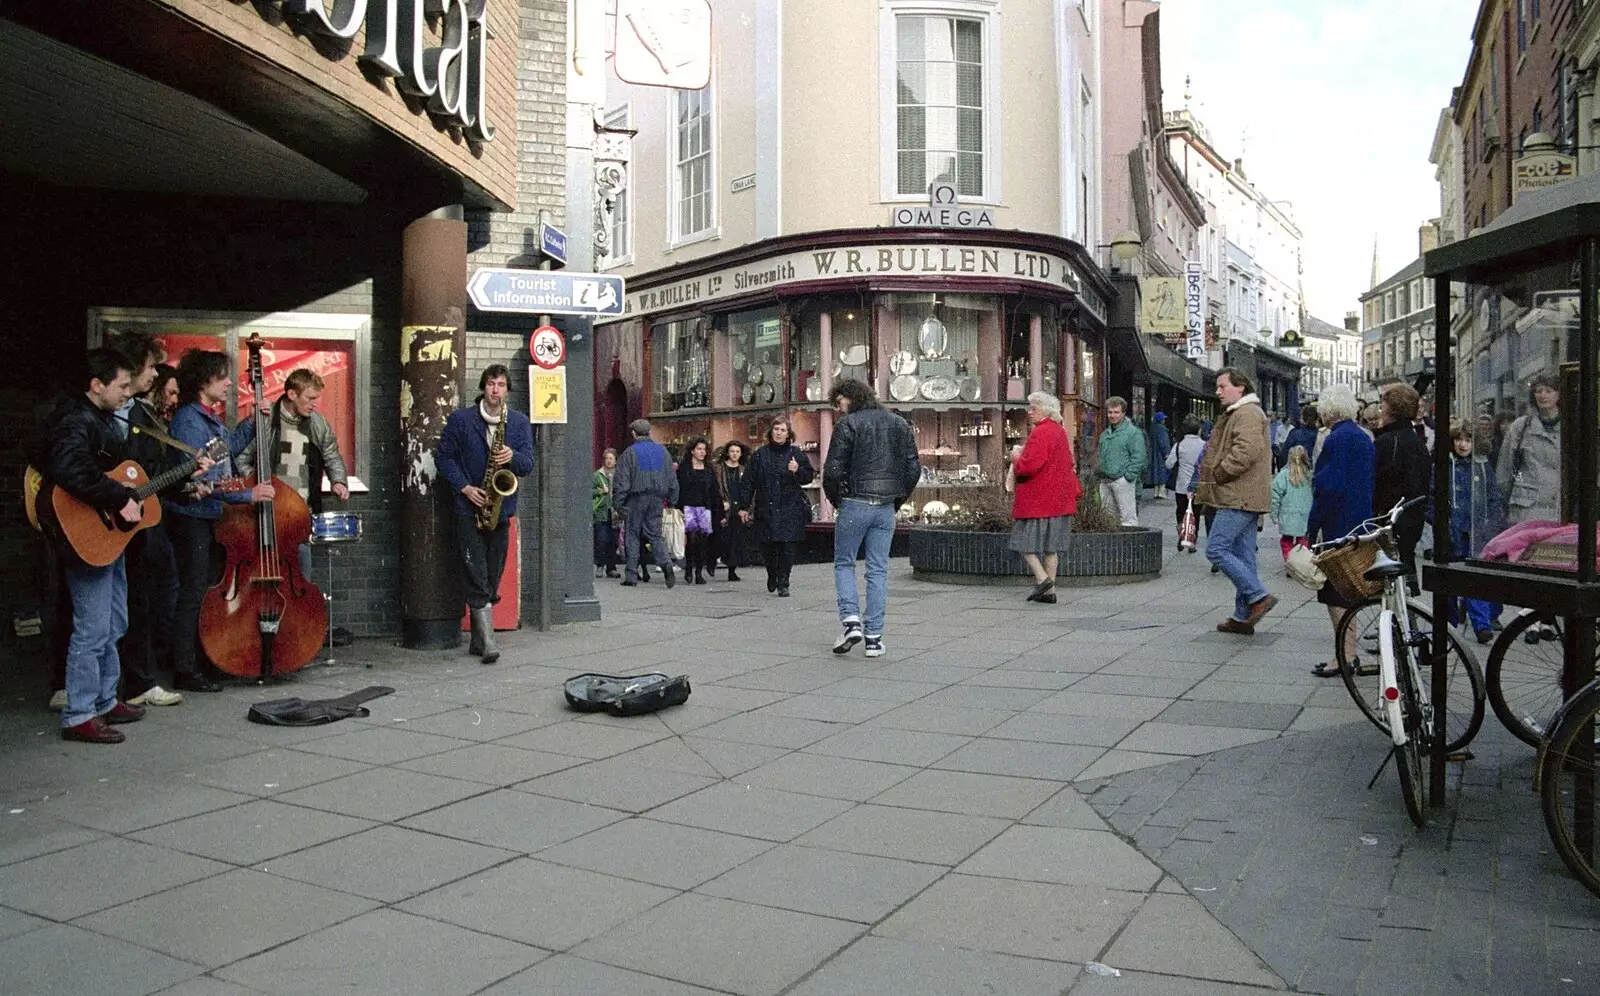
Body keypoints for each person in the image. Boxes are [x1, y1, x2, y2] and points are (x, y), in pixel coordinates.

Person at [34, 349, 201, 742]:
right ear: (96, 386)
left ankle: (105, 699)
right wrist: (117, 497)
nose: (129, 392)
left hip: (107, 537)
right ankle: (79, 714)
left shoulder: (99, 418)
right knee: (92, 628)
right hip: (86, 535)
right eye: (122, 385)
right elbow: (72, 469)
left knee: (114, 621)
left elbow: (122, 473)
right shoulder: (74, 420)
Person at [167, 349, 273, 692]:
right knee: (193, 594)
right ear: (203, 380)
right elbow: (196, 481)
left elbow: (224, 450)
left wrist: (252, 421)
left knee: (205, 592)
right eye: (222, 376)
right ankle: (186, 668)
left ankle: (204, 661)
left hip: (204, 516)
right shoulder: (188, 421)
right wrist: (246, 496)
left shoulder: (203, 418)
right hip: (191, 517)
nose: (229, 382)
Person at [107, 333, 187, 708]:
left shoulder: (140, 414)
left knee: (136, 601)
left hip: (135, 523)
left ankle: (134, 683)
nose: (155, 374)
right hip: (103, 521)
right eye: (152, 366)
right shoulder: (97, 411)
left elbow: (149, 474)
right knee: (104, 609)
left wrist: (187, 474)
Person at [436, 364, 534, 664]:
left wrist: (512, 457)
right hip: (468, 507)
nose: (495, 390)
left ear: (507, 390)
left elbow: (528, 464)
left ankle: (478, 640)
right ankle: (488, 641)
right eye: (491, 383)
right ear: (483, 386)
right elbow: (443, 458)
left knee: (492, 573)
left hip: (501, 508)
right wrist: (465, 487)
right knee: (475, 570)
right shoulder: (462, 420)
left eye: (501, 385)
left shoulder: (517, 422)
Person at [824, 378, 920, 657]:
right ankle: (874, 638)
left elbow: (832, 470)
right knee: (878, 569)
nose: (839, 408)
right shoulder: (899, 424)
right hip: (885, 506)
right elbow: (913, 468)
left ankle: (851, 621)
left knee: (844, 563)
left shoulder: (848, 424)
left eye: (839, 402)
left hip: (854, 502)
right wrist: (897, 499)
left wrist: (836, 499)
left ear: (849, 398)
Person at [235, 368, 351, 586]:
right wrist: (255, 484)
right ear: (291, 395)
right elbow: (240, 459)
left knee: (300, 580)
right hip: (267, 513)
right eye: (309, 398)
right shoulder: (266, 420)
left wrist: (338, 481)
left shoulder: (317, 423)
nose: (314, 404)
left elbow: (331, 454)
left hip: (300, 513)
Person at [1195, 368, 1277, 634]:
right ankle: (1243, 616)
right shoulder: (1241, 413)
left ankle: (1258, 596)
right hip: (1244, 495)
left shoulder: (1247, 413)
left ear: (1240, 387)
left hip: (1237, 494)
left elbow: (1246, 450)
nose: (1217, 391)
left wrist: (1220, 473)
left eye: (1222, 386)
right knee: (1244, 555)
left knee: (1216, 549)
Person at [1305, 385, 1375, 677]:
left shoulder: (1336, 440)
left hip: (1338, 524)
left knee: (1335, 594)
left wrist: (1313, 525)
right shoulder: (1363, 437)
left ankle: (1344, 656)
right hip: (1361, 520)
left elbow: (1328, 486)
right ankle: (1348, 653)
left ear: (1327, 411)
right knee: (1349, 590)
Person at [1008, 392, 1083, 606]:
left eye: (1033, 408)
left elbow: (1029, 466)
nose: (1029, 412)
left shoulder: (1041, 432)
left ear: (1045, 409)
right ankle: (1051, 590)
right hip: (1058, 500)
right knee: (1051, 548)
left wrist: (1016, 457)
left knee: (1024, 544)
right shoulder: (1058, 431)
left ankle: (1043, 581)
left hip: (1038, 499)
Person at [1442, 420, 1503, 644]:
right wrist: (1441, 522)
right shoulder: (1444, 465)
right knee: (1450, 581)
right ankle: (1448, 623)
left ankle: (1481, 624)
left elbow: (1493, 496)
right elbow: (1433, 496)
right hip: (1452, 530)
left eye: (1468, 440)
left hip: (1476, 530)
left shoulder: (1482, 466)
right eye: (1459, 439)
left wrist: (1491, 523)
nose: (1463, 445)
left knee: (1474, 578)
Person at [1372, 383, 1432, 596]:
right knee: (1406, 563)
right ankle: (1410, 613)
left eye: (1383, 405)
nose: (1381, 409)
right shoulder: (1417, 442)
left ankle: (1396, 619)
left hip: (1390, 517)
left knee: (1388, 571)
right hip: (1413, 517)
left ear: (1391, 410)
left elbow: (1378, 482)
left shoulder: (1387, 442)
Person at [748, 417, 814, 597]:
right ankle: (772, 573)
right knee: (767, 546)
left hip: (789, 507)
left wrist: (797, 470)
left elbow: (808, 477)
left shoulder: (796, 454)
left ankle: (783, 581)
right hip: (766, 507)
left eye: (783, 430)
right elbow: (748, 482)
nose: (779, 433)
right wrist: (744, 507)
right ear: (771, 431)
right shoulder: (760, 454)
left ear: (788, 434)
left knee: (787, 547)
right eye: (776, 429)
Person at [613, 419, 678, 588]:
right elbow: (672, 479)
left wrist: (618, 503)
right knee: (655, 534)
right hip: (657, 498)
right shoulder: (662, 452)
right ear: (649, 432)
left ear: (633, 433)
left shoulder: (630, 453)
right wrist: (672, 500)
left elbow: (622, 482)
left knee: (632, 534)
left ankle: (631, 575)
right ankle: (666, 564)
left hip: (636, 498)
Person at [1496, 373, 1562, 524]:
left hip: (1560, 511)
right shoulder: (1521, 427)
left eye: (1548, 390)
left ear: (1558, 395)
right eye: (1538, 391)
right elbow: (1505, 471)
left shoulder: (1573, 427)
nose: (1543, 395)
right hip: (1526, 513)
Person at [675, 436, 723, 585]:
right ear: (692, 451)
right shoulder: (683, 470)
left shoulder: (709, 471)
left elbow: (715, 492)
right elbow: (678, 490)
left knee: (703, 542)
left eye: (704, 449)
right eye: (699, 449)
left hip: (704, 509)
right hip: (688, 508)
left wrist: (719, 511)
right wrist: (677, 508)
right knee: (691, 540)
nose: (702, 452)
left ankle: (699, 572)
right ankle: (689, 568)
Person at [1096, 396, 1145, 527]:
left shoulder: (1133, 433)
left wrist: (1128, 477)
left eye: (1116, 412)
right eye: (1110, 412)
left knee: (1128, 519)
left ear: (1123, 413)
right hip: (1105, 480)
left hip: (1122, 480)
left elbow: (1139, 457)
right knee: (1107, 520)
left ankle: (1129, 547)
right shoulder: (1105, 434)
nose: (1112, 415)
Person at [1167, 416, 1207, 552]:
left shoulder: (1179, 445)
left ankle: (1181, 534)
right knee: (1195, 514)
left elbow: (1169, 464)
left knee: (1181, 512)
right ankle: (1192, 541)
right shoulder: (1204, 445)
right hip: (1198, 486)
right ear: (1198, 430)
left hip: (1182, 486)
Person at [1270, 445, 1314, 561]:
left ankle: (1289, 561)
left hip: (1287, 515)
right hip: (1305, 515)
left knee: (1286, 540)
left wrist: (1274, 514)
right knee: (1303, 541)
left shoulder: (1284, 475)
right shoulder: (1310, 476)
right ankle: (1300, 562)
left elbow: (1275, 495)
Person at [717, 440, 752, 581]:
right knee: (724, 538)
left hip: (739, 508)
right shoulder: (720, 469)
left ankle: (732, 569)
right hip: (725, 506)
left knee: (736, 539)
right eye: (732, 451)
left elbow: (748, 488)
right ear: (727, 452)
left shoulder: (744, 469)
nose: (735, 454)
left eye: (737, 451)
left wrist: (746, 507)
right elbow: (717, 487)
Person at [592, 449, 620, 579]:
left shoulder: (619, 475)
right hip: (601, 512)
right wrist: (600, 491)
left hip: (615, 512)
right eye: (607, 458)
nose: (609, 461)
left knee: (613, 541)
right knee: (601, 540)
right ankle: (600, 565)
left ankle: (611, 568)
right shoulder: (597, 475)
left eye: (611, 458)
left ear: (615, 461)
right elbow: (589, 491)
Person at [1147, 413, 1171, 501]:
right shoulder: (1162, 429)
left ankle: (1156, 492)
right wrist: (1166, 453)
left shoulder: (1152, 428)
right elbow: (1163, 441)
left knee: (1155, 472)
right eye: (1163, 419)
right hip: (1160, 454)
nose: (1164, 420)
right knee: (1162, 471)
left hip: (1153, 453)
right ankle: (1161, 492)